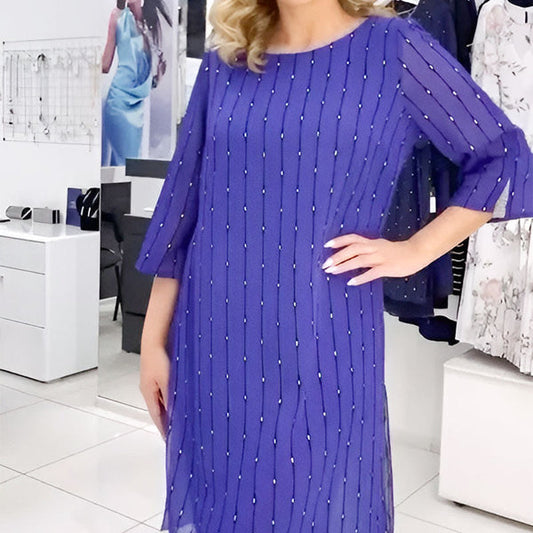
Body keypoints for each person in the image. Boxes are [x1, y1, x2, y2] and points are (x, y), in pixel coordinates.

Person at [135, 0, 533, 531]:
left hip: (322, 341)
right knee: (222, 504)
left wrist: (416, 250)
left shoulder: (396, 50)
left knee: (321, 503)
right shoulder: (226, 61)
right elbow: (181, 211)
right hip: (216, 345)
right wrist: (152, 343)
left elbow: (503, 156)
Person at [101, 0, 171, 166]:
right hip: (118, 100)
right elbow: (105, 65)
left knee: (128, 163)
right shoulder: (118, 16)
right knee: (123, 163)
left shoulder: (150, 24)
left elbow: (148, 69)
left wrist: (157, 78)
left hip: (138, 104)